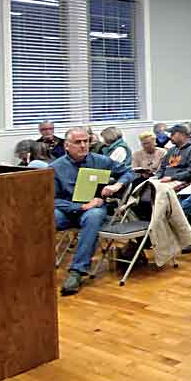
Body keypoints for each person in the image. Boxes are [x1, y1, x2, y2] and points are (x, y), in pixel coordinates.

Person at [53, 127, 135, 296]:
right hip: (67, 210)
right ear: (67, 146)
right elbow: (52, 199)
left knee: (94, 215)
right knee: (43, 217)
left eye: (86, 141)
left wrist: (116, 185)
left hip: (93, 211)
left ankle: (77, 271)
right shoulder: (55, 167)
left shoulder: (101, 160)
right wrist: (80, 207)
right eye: (78, 142)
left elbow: (129, 172)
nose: (83, 145)